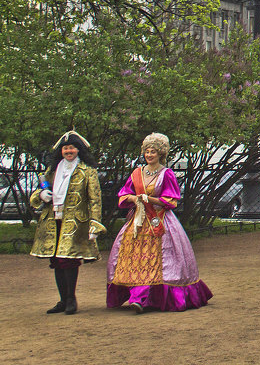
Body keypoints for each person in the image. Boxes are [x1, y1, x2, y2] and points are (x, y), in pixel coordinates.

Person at [107, 133, 213, 312]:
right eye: (147, 152)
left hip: (160, 221)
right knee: (136, 259)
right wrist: (134, 198)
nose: (149, 155)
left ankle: (143, 298)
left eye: (153, 152)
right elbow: (123, 195)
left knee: (156, 260)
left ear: (160, 154)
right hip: (137, 222)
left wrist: (150, 199)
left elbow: (171, 201)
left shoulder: (166, 174)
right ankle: (137, 296)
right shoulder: (136, 173)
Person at [30, 130, 105, 315]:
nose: (68, 151)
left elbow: (95, 199)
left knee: (69, 259)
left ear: (78, 150)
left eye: (72, 147)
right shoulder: (53, 170)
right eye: (65, 148)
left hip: (75, 222)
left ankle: (71, 299)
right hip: (52, 220)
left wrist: (95, 223)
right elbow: (36, 193)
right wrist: (41, 195)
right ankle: (63, 300)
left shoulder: (87, 171)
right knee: (56, 260)